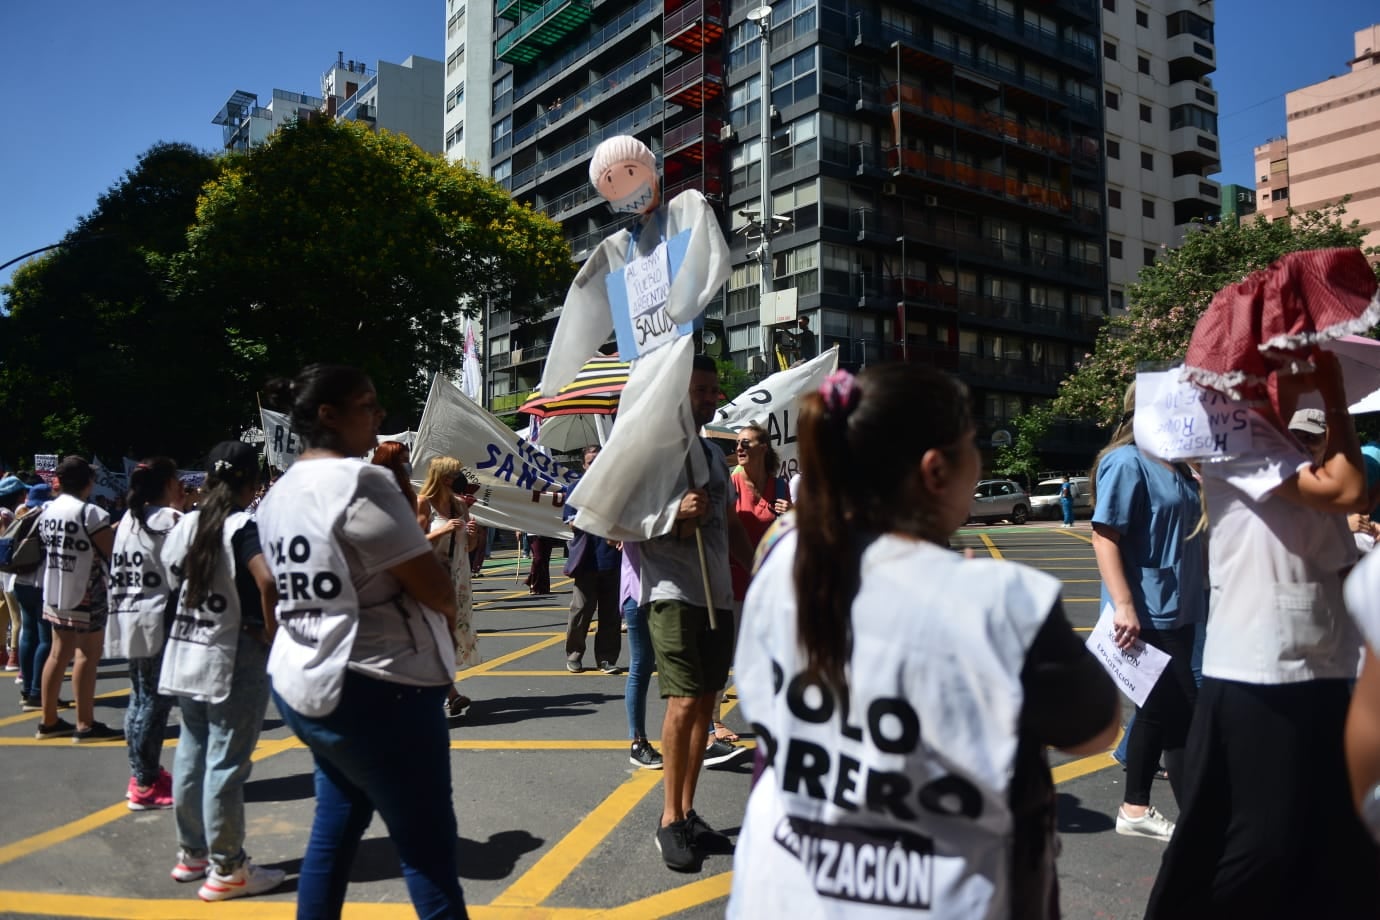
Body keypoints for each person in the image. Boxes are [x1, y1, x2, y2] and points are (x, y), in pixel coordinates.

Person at [728, 364, 1119, 917]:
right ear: (936, 471)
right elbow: (1096, 729)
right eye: (973, 448)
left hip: (780, 891)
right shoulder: (999, 600)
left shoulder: (781, 558)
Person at [1146, 350, 1380, 917]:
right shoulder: (1241, 445)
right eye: (1299, 364)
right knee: (1256, 846)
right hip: (1263, 671)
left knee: (1328, 838)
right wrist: (1331, 394)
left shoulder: (1297, 457)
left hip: (1319, 669)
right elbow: (1349, 490)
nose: (1314, 371)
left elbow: (1337, 557)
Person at [258, 364, 468, 919]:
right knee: (428, 851)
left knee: (337, 822)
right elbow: (437, 588)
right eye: (367, 404)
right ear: (329, 415)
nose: (379, 414)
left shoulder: (278, 493)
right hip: (381, 685)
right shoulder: (358, 481)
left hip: (305, 677)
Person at [643, 354, 756, 871]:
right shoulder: (654, 452)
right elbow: (613, 518)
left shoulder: (710, 453)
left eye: (714, 390)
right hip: (673, 591)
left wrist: (759, 568)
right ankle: (668, 819)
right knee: (685, 702)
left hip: (717, 595)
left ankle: (688, 812)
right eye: (700, 390)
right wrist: (672, 514)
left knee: (706, 704)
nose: (711, 398)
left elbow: (730, 524)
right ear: (676, 393)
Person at [158, 442, 284, 900]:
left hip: (188, 647)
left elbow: (170, 580)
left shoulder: (186, 523)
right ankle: (228, 867)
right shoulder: (241, 524)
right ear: (251, 485)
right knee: (227, 762)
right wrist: (272, 633)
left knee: (192, 750)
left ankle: (193, 853)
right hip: (233, 652)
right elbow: (267, 578)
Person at [1090, 384, 1206, 842]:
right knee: (1176, 713)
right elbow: (1104, 536)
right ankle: (1190, 815)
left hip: (1180, 607)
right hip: (1145, 611)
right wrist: (1122, 604)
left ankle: (1137, 807)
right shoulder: (1127, 462)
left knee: (1163, 715)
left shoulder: (1178, 469)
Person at [106, 458, 183, 810]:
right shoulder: (167, 520)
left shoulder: (128, 520)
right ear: (168, 483)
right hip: (158, 618)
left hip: (129, 614)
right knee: (153, 701)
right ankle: (145, 782)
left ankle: (141, 772)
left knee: (140, 697)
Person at [35, 456, 122, 742]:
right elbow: (110, 552)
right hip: (87, 588)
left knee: (58, 653)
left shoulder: (47, 510)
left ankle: (48, 720)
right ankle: (85, 724)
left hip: (55, 586)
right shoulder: (91, 513)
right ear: (87, 482)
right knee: (87, 654)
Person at [717, 423, 791, 744]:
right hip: (733, 580)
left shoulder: (779, 487)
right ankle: (713, 722)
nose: (741, 448)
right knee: (725, 652)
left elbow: (790, 534)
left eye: (747, 442)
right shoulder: (730, 482)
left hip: (770, 585)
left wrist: (794, 514)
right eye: (738, 443)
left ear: (765, 447)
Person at [417, 457, 482, 720]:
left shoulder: (458, 504)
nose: (460, 478)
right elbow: (414, 541)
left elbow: (469, 547)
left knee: (445, 638)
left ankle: (445, 694)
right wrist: (442, 531)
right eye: (455, 474)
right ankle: (449, 694)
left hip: (456, 579)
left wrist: (474, 533)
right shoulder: (424, 503)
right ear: (444, 477)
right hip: (430, 578)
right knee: (435, 639)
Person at [564, 445, 622, 674]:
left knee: (611, 614)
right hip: (587, 560)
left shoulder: (616, 489)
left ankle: (606, 658)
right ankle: (574, 654)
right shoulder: (575, 489)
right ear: (583, 465)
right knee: (580, 611)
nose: (594, 465)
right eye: (590, 462)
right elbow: (572, 523)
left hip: (613, 560)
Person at [15, 483, 63, 713]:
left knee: (28, 635)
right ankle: (38, 692)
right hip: (42, 583)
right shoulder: (48, 516)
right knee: (47, 639)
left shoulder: (25, 515)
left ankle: (27, 689)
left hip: (21, 582)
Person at [619, 540, 661, 768]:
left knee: (685, 664)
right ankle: (638, 742)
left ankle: (708, 734)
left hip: (673, 588)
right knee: (642, 665)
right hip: (638, 590)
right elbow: (608, 530)